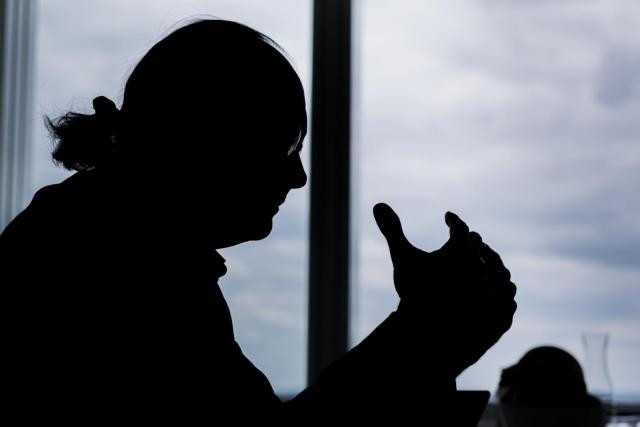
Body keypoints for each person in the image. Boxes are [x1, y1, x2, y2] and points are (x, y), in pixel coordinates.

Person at [1, 19, 517, 423]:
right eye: (285, 146)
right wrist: (424, 335)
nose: (298, 177)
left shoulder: (101, 233)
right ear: (206, 138)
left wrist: (424, 335)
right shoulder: (115, 261)